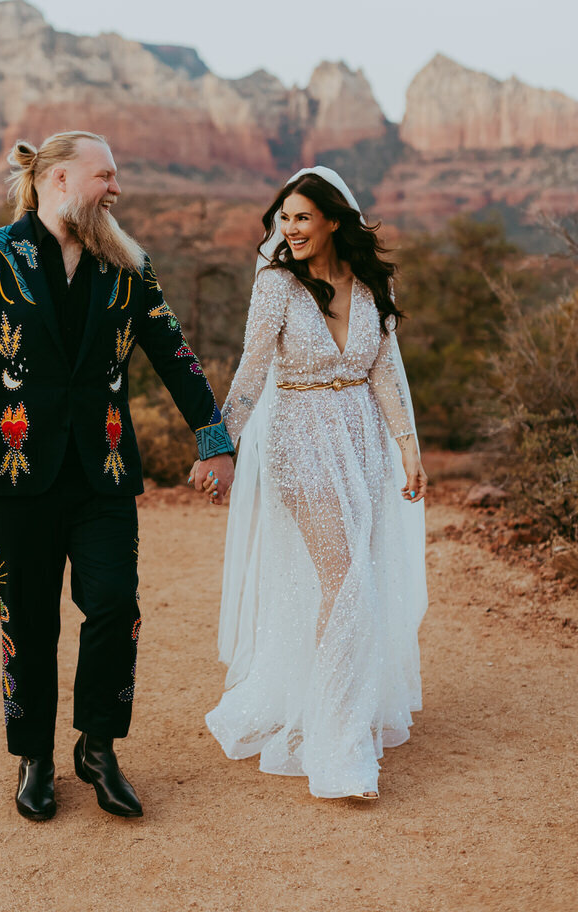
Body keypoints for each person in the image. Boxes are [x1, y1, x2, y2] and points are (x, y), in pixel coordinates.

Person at [0, 131, 234, 821]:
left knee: (116, 606)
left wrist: (212, 436)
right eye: (106, 175)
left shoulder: (128, 263)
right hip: (11, 469)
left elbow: (172, 350)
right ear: (59, 179)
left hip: (106, 468)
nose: (116, 188)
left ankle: (97, 746)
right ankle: (34, 755)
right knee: (27, 619)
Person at [197, 166, 427, 801]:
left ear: (332, 220)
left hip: (362, 444)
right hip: (298, 443)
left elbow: (385, 375)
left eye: (302, 217)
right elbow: (251, 372)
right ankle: (337, 736)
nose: (290, 229)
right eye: (284, 219)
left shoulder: (370, 285)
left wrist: (409, 450)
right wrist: (219, 443)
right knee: (345, 576)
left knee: (356, 575)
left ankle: (322, 694)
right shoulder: (275, 286)